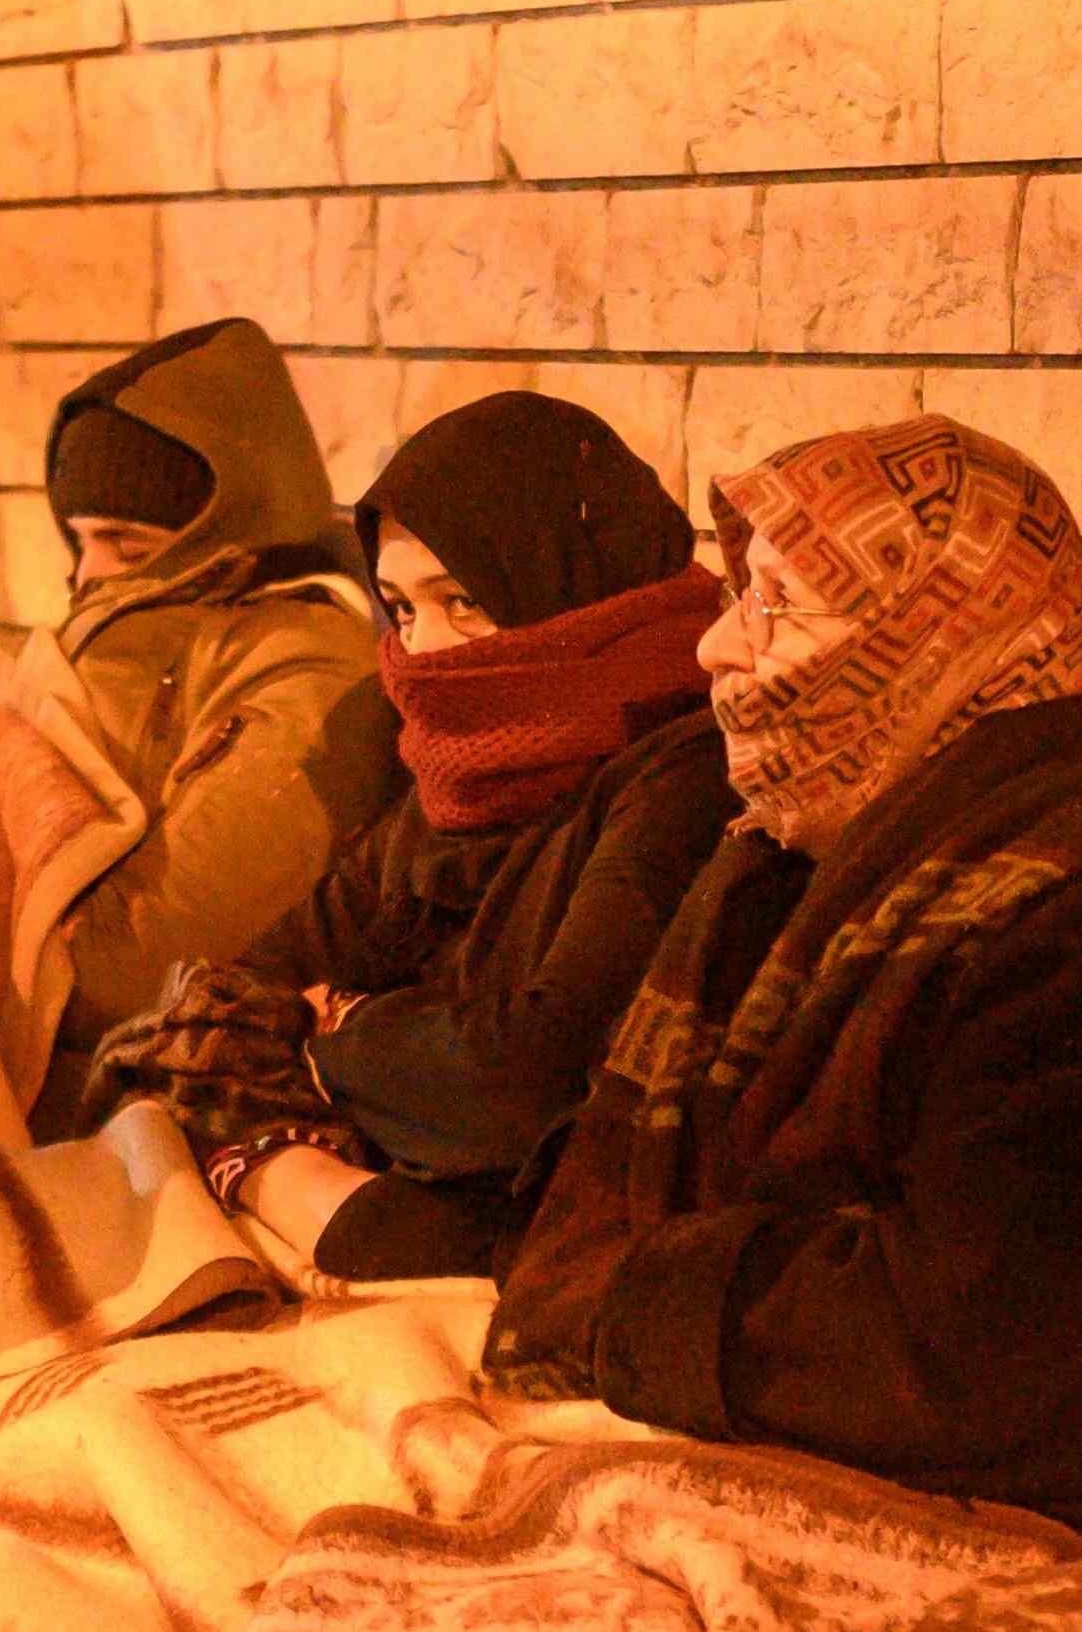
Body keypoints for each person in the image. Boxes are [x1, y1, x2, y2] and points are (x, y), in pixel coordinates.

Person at [470, 412, 1082, 1540]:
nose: (717, 647)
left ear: (944, 633)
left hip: (1027, 1524)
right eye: (742, 593)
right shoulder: (825, 864)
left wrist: (640, 1298)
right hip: (829, 1448)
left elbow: (980, 1355)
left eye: (779, 604)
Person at [96, 389, 733, 1275]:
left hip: (569, 1221)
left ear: (563, 583)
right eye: (399, 608)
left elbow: (519, 1087)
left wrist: (338, 1029)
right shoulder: (453, 772)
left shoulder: (683, 772)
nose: (426, 651)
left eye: (463, 600)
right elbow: (258, 980)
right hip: (423, 1190)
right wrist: (380, 1044)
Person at [18, 324, 395, 1115]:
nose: (88, 578)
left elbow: (154, 965)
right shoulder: (163, 635)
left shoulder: (311, 669)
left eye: (124, 546)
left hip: (142, 1094)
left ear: (223, 527)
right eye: (80, 543)